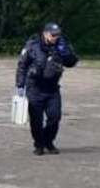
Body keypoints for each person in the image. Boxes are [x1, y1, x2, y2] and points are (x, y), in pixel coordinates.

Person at [15, 23, 79, 155]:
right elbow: (22, 65)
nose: (56, 37)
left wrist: (65, 52)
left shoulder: (61, 45)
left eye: (58, 34)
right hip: (34, 88)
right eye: (53, 34)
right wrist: (20, 85)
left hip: (52, 88)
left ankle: (48, 142)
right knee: (36, 120)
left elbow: (72, 62)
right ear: (45, 33)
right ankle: (39, 145)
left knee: (55, 117)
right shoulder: (32, 46)